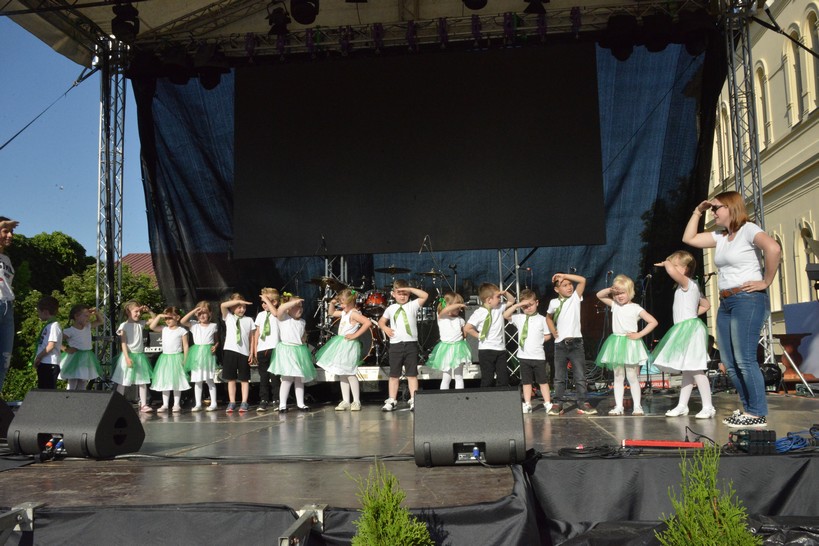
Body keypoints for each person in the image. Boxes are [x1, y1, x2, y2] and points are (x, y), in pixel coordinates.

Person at [683, 190, 781, 428]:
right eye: (712, 209)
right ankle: (749, 410)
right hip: (726, 302)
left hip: (747, 299)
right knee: (729, 361)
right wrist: (698, 211)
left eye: (716, 208)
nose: (713, 213)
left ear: (731, 208)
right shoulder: (721, 236)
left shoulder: (748, 229)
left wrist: (766, 281)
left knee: (745, 359)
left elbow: (774, 248)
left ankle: (757, 412)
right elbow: (689, 238)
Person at [652, 251, 715, 419]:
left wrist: (666, 263)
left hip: (690, 329)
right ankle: (682, 405)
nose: (672, 268)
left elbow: (671, 272)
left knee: (696, 369)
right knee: (687, 370)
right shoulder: (687, 286)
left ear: (686, 268)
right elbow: (706, 305)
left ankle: (708, 406)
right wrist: (691, 312)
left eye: (675, 265)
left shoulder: (687, 282)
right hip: (683, 328)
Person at [595, 275, 659, 416]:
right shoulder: (615, 305)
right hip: (616, 343)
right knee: (618, 377)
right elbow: (599, 295)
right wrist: (611, 290)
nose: (619, 296)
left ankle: (637, 406)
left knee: (632, 376)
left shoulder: (636, 308)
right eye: (617, 294)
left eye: (622, 293)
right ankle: (619, 406)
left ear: (630, 292)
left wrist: (639, 334)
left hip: (630, 344)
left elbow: (653, 322)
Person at [546, 272, 597, 415]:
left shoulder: (575, 297)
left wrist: (564, 275)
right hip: (560, 344)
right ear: (557, 289)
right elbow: (548, 318)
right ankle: (558, 403)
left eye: (570, 284)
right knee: (559, 377)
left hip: (576, 343)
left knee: (580, 375)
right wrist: (552, 330)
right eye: (564, 285)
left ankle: (582, 402)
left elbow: (582, 280)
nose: (569, 287)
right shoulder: (553, 302)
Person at [315, 288, 371, 411]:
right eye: (340, 303)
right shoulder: (345, 312)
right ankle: (346, 400)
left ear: (350, 302)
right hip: (341, 344)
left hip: (349, 345)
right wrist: (332, 303)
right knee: (342, 373)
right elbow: (331, 313)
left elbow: (367, 323)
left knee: (350, 373)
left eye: (343, 303)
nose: (341, 305)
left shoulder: (354, 313)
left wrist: (355, 335)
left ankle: (356, 401)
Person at [378, 280, 429, 411]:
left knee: (411, 374)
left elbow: (425, 295)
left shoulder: (412, 305)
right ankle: (392, 399)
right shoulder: (390, 308)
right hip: (396, 344)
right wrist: (385, 328)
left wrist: (409, 288)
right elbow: (381, 321)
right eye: (399, 294)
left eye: (405, 294)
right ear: (393, 294)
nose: (402, 296)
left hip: (410, 344)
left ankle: (413, 399)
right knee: (394, 374)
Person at [504, 289, 553, 413]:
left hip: (538, 356)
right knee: (526, 382)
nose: (528, 308)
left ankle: (547, 402)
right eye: (525, 306)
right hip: (524, 356)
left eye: (530, 304)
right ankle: (527, 403)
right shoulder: (519, 318)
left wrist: (539, 340)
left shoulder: (542, 319)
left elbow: (548, 335)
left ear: (537, 303)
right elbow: (505, 315)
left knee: (542, 381)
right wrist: (518, 305)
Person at [464, 283, 515, 388]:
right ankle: (486, 397)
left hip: (500, 349)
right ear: (489, 300)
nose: (500, 299)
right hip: (486, 349)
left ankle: (502, 395)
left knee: (503, 378)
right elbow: (467, 328)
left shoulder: (499, 308)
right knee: (488, 378)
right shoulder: (479, 312)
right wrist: (479, 336)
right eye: (498, 297)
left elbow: (511, 301)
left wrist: (505, 293)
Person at [271, 293, 315, 412]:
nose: (300, 309)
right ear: (289, 308)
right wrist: (292, 302)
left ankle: (300, 403)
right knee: (287, 378)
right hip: (287, 351)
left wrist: (304, 339)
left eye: (301, 306)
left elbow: (302, 336)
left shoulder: (302, 321)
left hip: (299, 350)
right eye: (297, 306)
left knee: (299, 378)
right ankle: (282, 404)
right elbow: (280, 309)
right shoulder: (284, 318)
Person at [111, 301, 155, 412]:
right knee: (123, 380)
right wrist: (127, 357)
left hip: (139, 356)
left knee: (142, 381)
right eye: (136, 311)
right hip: (128, 355)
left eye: (140, 312)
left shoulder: (141, 323)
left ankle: (143, 404)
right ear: (128, 312)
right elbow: (123, 343)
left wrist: (149, 311)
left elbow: (154, 321)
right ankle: (117, 403)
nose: (138, 314)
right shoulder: (124, 325)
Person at [425, 292, 471, 390]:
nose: (459, 309)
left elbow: (464, 334)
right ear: (449, 305)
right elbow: (446, 310)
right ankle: (444, 396)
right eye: (457, 306)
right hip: (446, 349)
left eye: (459, 307)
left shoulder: (460, 320)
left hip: (458, 348)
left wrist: (465, 332)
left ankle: (459, 396)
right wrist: (459, 304)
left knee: (459, 376)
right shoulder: (442, 316)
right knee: (447, 376)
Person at [149, 307, 191, 413]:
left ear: (177, 317)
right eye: (166, 318)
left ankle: (176, 404)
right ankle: (165, 404)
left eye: (170, 318)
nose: (167, 320)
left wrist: (186, 358)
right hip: (165, 359)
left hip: (177, 358)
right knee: (165, 381)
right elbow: (152, 326)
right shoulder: (164, 329)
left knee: (177, 382)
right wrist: (159, 316)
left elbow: (185, 346)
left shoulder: (182, 330)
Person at [181, 301, 220, 411]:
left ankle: (214, 403)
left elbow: (217, 340)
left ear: (210, 314)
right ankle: (198, 403)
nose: (202, 315)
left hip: (208, 354)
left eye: (205, 313)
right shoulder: (194, 325)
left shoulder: (213, 326)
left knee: (209, 379)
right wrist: (194, 310)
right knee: (197, 380)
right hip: (197, 354)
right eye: (199, 313)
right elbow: (182, 321)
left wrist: (215, 346)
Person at [220, 293, 256, 413]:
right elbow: (223, 305)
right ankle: (232, 402)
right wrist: (239, 302)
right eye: (239, 307)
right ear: (232, 307)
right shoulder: (228, 317)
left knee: (244, 379)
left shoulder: (249, 320)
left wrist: (251, 352)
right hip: (230, 351)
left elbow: (252, 338)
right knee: (231, 379)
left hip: (244, 353)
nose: (242, 309)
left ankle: (244, 402)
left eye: (244, 307)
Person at [59, 305, 104, 391]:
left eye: (89, 316)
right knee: (73, 380)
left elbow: (100, 321)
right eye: (86, 316)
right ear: (76, 316)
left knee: (83, 380)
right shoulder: (70, 331)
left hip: (86, 357)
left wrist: (96, 313)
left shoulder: (87, 326)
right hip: (74, 358)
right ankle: (68, 397)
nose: (88, 318)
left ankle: (80, 397)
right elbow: (56, 340)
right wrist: (65, 349)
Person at [253, 288, 281, 412]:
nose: (264, 304)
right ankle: (264, 399)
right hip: (262, 348)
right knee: (263, 376)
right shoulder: (260, 315)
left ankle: (277, 399)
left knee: (275, 376)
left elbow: (275, 313)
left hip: (274, 347)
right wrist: (254, 349)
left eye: (266, 302)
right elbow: (257, 332)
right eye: (263, 302)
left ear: (274, 302)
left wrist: (268, 302)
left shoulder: (277, 312)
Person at [0, 217, 19, 394]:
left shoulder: (6, 258)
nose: (10, 235)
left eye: (11, 232)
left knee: (4, 360)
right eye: (6, 231)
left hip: (7, 307)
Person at [32, 295, 63, 389]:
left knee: (48, 389)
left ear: (45, 312)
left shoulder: (54, 326)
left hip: (50, 363)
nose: (38, 314)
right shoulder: (49, 325)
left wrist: (38, 357)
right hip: (44, 362)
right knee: (42, 388)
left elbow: (51, 345)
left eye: (39, 312)